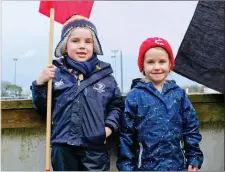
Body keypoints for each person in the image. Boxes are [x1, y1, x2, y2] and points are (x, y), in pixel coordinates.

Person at [31, 14, 122, 171]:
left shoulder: (106, 77)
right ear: (65, 46)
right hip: (63, 146)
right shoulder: (55, 74)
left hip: (95, 148)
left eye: (88, 41)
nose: (82, 46)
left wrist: (108, 128)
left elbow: (116, 106)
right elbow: (43, 108)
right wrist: (40, 84)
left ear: (95, 46)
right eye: (75, 41)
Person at [117, 37, 203, 171]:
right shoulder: (134, 96)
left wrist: (194, 157)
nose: (157, 67)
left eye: (162, 62)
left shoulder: (179, 95)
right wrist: (126, 167)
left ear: (170, 65)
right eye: (151, 62)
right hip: (145, 168)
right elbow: (126, 135)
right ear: (143, 67)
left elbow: (190, 128)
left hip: (177, 167)